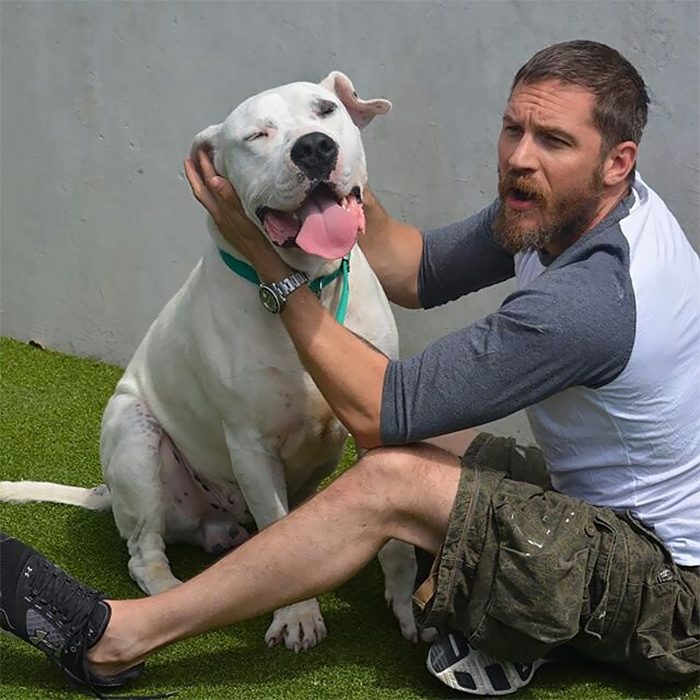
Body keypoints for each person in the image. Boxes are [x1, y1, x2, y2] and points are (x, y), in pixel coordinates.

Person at [2, 40, 699, 697]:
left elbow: (376, 410)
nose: (519, 156)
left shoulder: (593, 298)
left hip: (667, 595)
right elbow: (415, 267)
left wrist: (272, 268)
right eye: (512, 128)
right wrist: (332, 174)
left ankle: (121, 637)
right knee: (427, 447)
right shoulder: (559, 210)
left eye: (552, 141)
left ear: (618, 160)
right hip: (598, 512)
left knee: (392, 467)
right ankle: (492, 608)